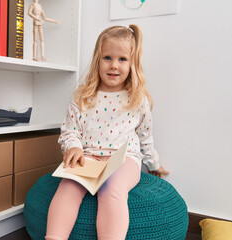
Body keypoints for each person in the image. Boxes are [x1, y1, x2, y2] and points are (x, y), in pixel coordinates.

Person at [45, 25, 169, 240]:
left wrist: (154, 164)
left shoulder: (138, 99)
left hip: (124, 158)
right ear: (97, 60)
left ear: (132, 64)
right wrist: (73, 146)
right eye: (107, 58)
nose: (114, 65)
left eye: (122, 59)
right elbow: (69, 131)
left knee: (112, 189)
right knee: (68, 187)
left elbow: (145, 136)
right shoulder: (83, 96)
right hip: (89, 156)